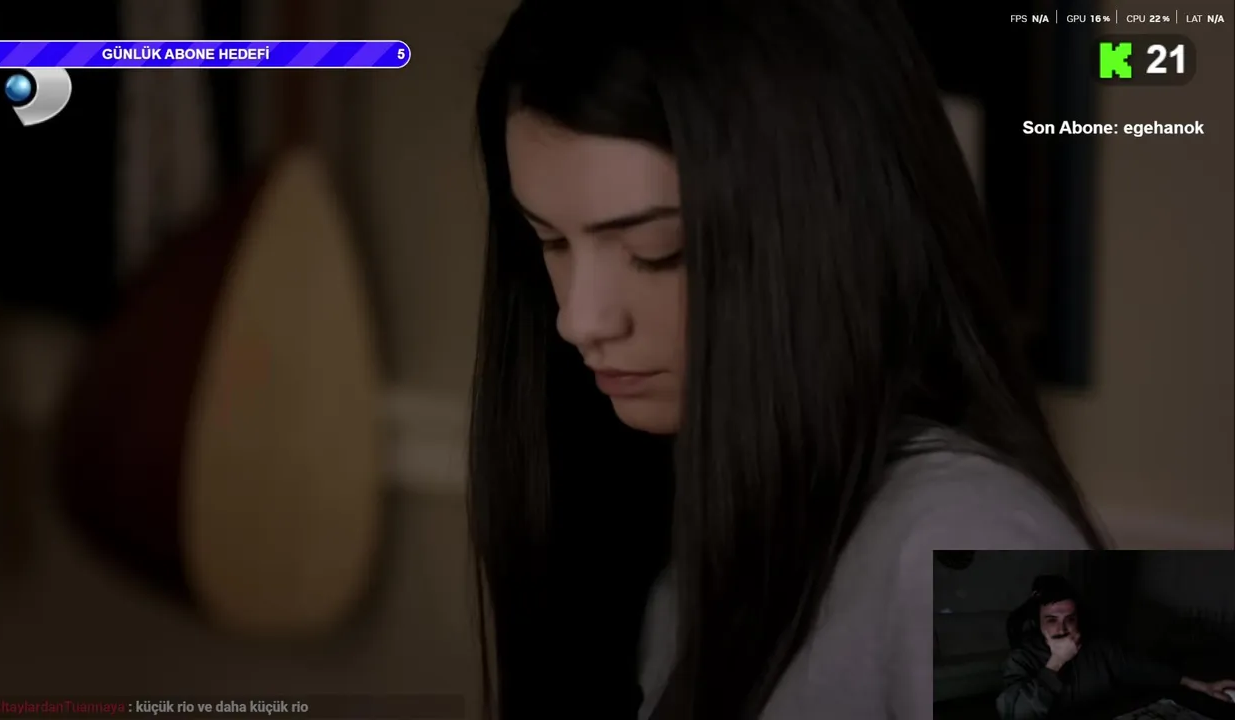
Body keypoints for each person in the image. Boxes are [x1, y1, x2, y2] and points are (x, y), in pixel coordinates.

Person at [467, 0, 1107, 718]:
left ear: (822, 233)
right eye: (550, 242)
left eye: (657, 251)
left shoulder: (972, 543)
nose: (578, 320)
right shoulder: (666, 511)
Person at [997, 575, 1235, 720]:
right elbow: (1016, 714)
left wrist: (1201, 685)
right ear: (1037, 622)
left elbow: (1143, 668)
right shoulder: (1022, 658)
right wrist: (1056, 663)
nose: (1063, 628)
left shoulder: (1099, 649)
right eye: (1051, 620)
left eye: (1070, 619)